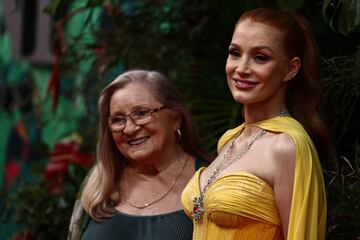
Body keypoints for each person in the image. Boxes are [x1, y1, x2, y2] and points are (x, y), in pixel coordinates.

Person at [181, 7, 331, 240]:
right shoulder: (229, 139)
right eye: (235, 53)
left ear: (290, 69)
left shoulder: (287, 146)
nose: (241, 69)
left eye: (260, 57)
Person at [69, 69, 211, 240]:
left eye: (142, 113)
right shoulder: (98, 183)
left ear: (176, 119)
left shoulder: (209, 183)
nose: (129, 129)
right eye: (118, 119)